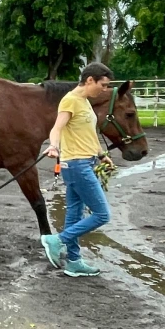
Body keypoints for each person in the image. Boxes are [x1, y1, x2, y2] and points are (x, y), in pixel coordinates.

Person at [40, 62, 117, 277]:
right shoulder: (70, 100)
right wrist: (53, 146)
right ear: (90, 80)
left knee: (74, 215)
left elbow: (89, 135)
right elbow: (57, 128)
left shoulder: (85, 102)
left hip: (85, 162)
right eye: (103, 85)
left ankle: (74, 261)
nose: (104, 89)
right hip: (76, 165)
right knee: (102, 215)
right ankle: (56, 240)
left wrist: (102, 155)